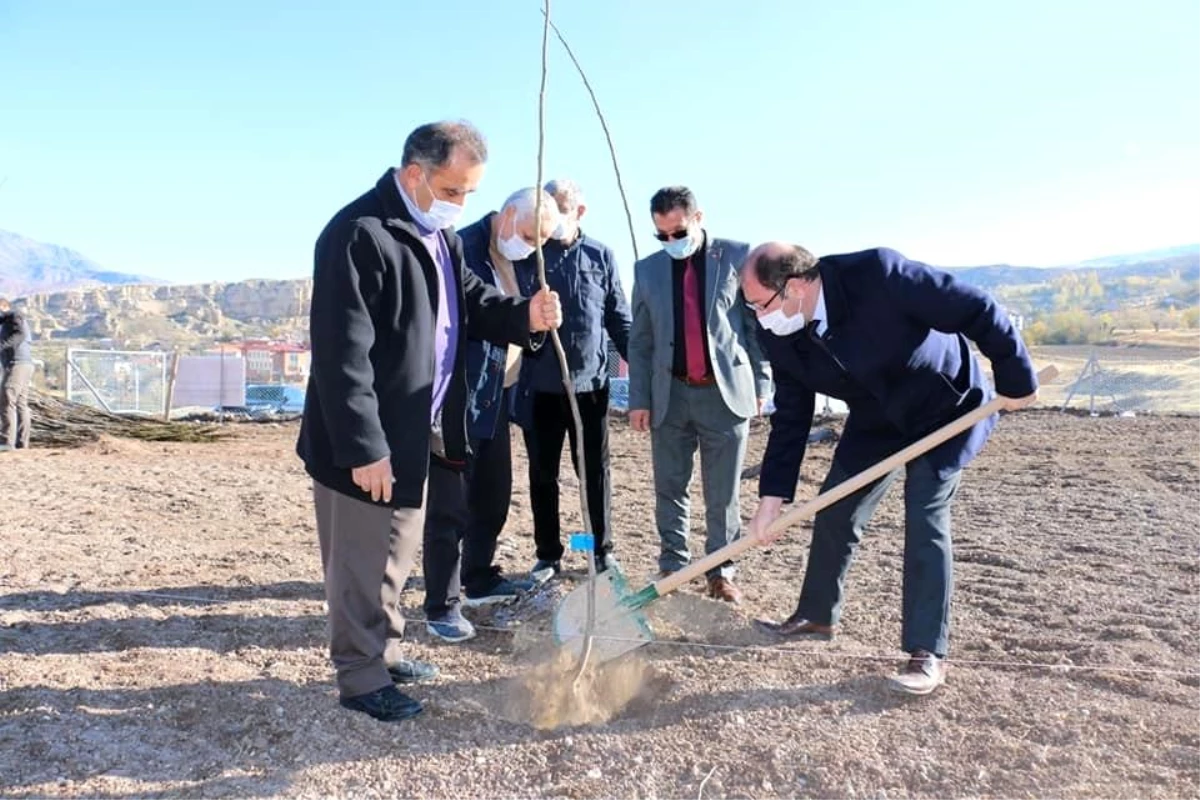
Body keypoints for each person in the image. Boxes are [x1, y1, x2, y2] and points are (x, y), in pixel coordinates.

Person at [295, 121, 563, 722]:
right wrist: (365, 447)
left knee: (394, 555)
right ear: (415, 174)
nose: (462, 205)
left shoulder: (439, 235)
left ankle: (384, 653)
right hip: (364, 441)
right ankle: (361, 678)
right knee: (358, 564)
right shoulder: (358, 234)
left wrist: (527, 315)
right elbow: (342, 354)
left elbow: (469, 300)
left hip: (420, 431)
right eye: (454, 190)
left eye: (470, 193)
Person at [740, 242, 1038, 695]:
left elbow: (978, 308)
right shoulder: (778, 330)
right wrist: (771, 501)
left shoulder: (879, 275)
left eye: (760, 304)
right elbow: (792, 416)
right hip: (876, 416)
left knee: (925, 512)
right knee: (836, 507)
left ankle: (927, 653)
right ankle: (817, 614)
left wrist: (1017, 380)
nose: (758, 317)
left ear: (796, 286)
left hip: (947, 407)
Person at [420, 186, 561, 642]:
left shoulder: (524, 262)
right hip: (461, 396)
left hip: (499, 396)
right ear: (505, 216)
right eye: (526, 235)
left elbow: (519, 322)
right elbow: (477, 315)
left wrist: (536, 320)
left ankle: (478, 578)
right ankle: (441, 602)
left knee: (494, 494)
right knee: (450, 503)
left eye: (539, 241)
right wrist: (521, 316)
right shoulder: (462, 248)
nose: (530, 247)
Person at [626, 186, 771, 604]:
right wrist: (639, 399)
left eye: (678, 231)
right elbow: (640, 340)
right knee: (669, 486)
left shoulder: (738, 256)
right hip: (668, 395)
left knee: (722, 492)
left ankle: (721, 571)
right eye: (662, 235)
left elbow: (755, 327)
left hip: (725, 396)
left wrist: (762, 383)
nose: (672, 242)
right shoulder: (646, 270)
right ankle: (673, 566)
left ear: (698, 218)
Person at [511, 178, 631, 582]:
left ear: (579, 212)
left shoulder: (601, 256)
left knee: (594, 472)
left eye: (561, 210)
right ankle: (548, 554)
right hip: (540, 384)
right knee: (543, 473)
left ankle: (600, 551)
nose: (554, 219)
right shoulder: (530, 257)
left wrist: (641, 372)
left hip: (591, 387)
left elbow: (618, 318)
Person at [0, 297, 34, 451]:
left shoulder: (14, 315)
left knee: (7, 397)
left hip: (18, 364)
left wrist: (2, 346)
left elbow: (19, 333)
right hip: (24, 364)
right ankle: (22, 443)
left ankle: (7, 442)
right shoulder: (6, 320)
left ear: (3, 306)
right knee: (21, 403)